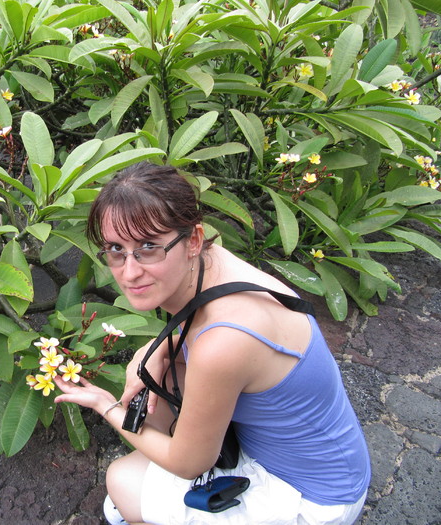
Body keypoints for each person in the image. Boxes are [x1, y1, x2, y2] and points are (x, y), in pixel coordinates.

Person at [53, 162, 371, 525]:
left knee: (122, 482)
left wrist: (106, 406)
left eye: (148, 247)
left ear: (192, 240)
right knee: (163, 379)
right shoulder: (215, 263)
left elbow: (189, 464)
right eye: (115, 248)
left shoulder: (223, 342)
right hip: (318, 454)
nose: (129, 272)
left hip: (314, 498)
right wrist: (158, 349)